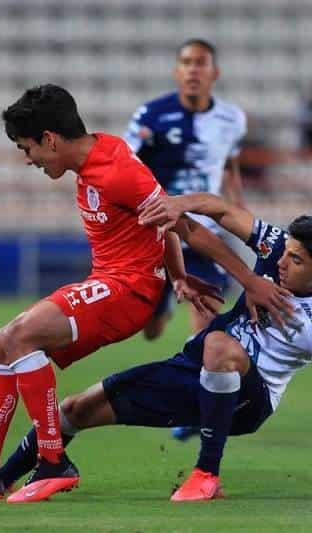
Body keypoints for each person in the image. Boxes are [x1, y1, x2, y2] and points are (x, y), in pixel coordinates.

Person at [0, 84, 294, 504]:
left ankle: (52, 462)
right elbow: (157, 222)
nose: (28, 160)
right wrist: (179, 277)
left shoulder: (118, 168)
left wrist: (248, 280)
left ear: (50, 139)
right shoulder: (94, 162)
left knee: (22, 338)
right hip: (108, 282)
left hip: (128, 291)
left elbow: (184, 226)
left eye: (28, 149)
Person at [0, 193, 312, 502]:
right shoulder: (276, 248)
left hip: (249, 400)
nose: (281, 262)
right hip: (196, 368)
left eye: (295, 260)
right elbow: (220, 210)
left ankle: (206, 474)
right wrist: (176, 205)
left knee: (220, 344)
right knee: (75, 409)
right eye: (286, 252)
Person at [124, 39, 247, 343]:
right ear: (177, 71)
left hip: (205, 232)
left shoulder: (233, 119)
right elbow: (124, 165)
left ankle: (198, 381)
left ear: (214, 72)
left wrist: (238, 209)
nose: (193, 70)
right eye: (187, 63)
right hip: (160, 232)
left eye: (200, 63)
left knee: (208, 326)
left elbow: (230, 165)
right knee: (150, 330)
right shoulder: (151, 115)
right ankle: (162, 305)